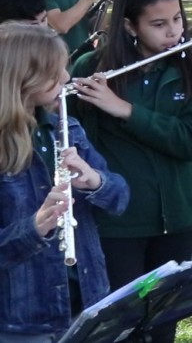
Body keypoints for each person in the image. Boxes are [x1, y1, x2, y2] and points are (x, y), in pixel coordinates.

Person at [70, 0, 192, 343]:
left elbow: (189, 142)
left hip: (178, 216)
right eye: (159, 24)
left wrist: (125, 110)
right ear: (129, 25)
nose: (174, 32)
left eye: (177, 19)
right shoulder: (90, 68)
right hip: (118, 223)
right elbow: (77, 143)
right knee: (124, 327)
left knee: (163, 324)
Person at [0, 23, 129, 342]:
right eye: (54, 72)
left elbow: (121, 198)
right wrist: (34, 228)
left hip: (87, 301)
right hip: (23, 320)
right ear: (22, 77)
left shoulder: (67, 128)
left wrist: (95, 181)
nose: (66, 78)